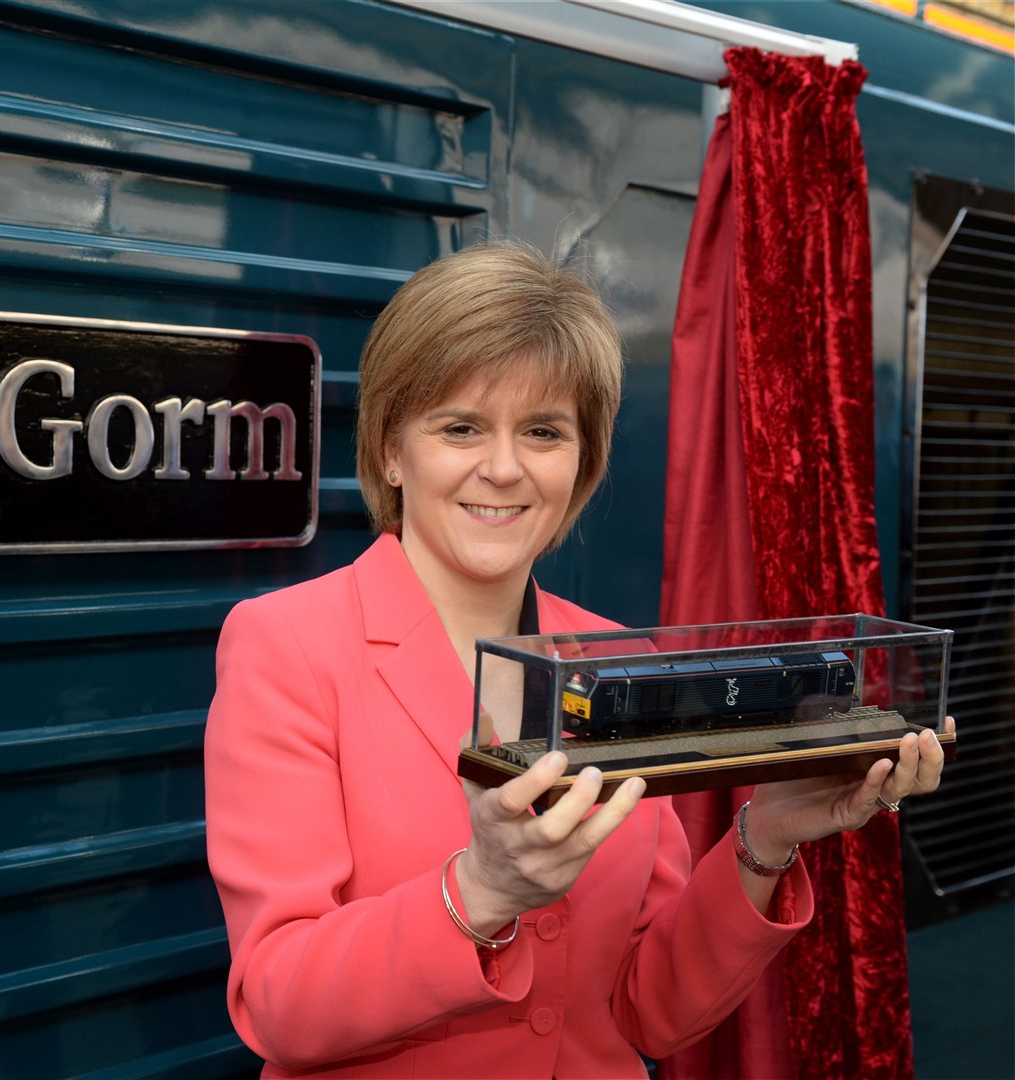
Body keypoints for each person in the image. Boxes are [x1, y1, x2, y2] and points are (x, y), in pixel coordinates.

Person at [203, 240, 949, 1079]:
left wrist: (767, 837)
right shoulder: (287, 645)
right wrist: (479, 894)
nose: (504, 467)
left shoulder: (611, 654)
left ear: (582, 464)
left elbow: (650, 1009)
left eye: (544, 431)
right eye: (460, 427)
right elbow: (277, 1001)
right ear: (387, 449)